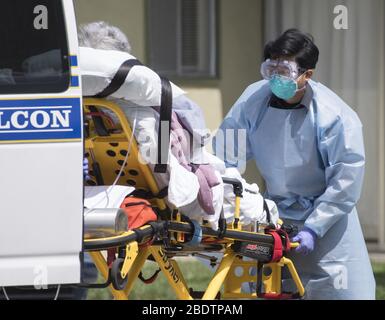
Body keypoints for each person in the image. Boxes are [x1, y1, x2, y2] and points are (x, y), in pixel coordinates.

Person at [214, 29, 376, 299]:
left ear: (307, 74)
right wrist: (231, 201)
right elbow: (225, 156)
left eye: (285, 70)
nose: (276, 77)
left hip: (327, 220)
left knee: (339, 290)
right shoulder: (252, 101)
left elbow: (346, 180)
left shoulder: (334, 116)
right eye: (271, 68)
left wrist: (314, 227)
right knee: (261, 290)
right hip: (274, 215)